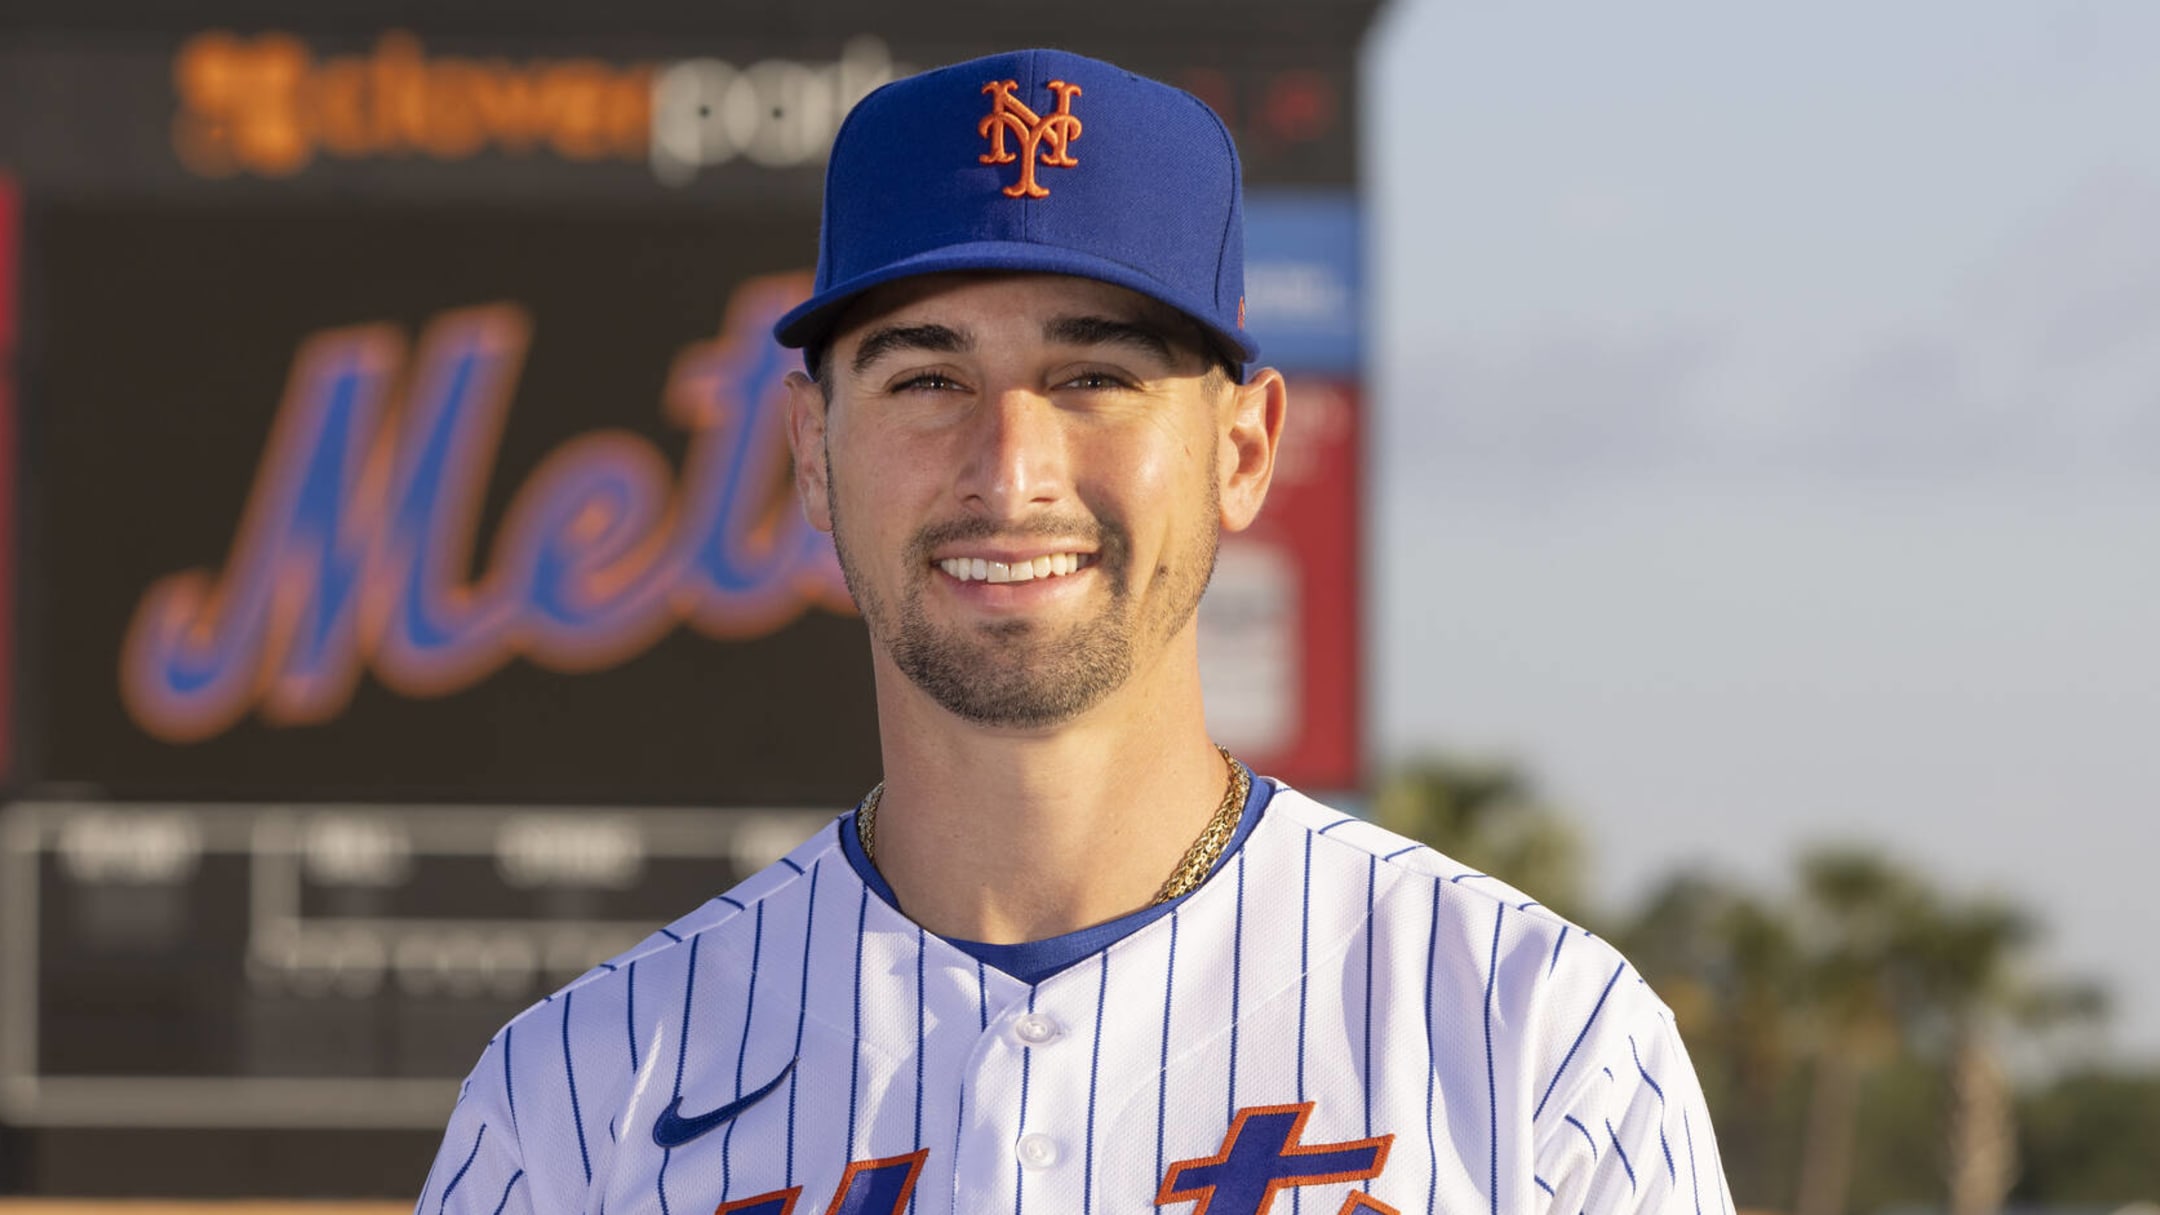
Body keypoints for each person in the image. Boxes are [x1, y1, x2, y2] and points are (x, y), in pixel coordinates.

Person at [414, 48, 1733, 1215]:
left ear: (1244, 445)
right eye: (929, 378)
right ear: (814, 453)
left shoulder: (1535, 1049)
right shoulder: (580, 1105)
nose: (1010, 467)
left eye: (1093, 377)